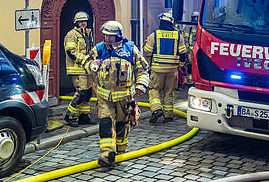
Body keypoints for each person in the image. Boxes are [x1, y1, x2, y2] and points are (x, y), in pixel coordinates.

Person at [85, 20, 149, 167]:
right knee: (105, 123)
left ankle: (120, 149)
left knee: (122, 124)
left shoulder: (130, 49)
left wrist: (141, 85)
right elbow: (86, 64)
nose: (107, 38)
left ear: (118, 35)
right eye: (105, 35)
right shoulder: (98, 49)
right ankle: (107, 154)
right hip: (104, 97)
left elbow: (142, 69)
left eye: (111, 36)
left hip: (125, 97)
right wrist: (92, 65)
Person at [142, 11, 188, 123]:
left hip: (157, 69)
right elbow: (183, 54)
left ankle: (156, 109)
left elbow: (147, 51)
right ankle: (168, 115)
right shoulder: (178, 36)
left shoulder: (154, 35)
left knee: (154, 89)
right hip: (172, 70)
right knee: (169, 92)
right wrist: (179, 66)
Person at [63, 11, 95, 127]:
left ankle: (84, 116)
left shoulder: (88, 33)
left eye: (85, 21)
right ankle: (70, 116)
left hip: (87, 69)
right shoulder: (72, 35)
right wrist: (85, 59)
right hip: (77, 69)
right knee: (81, 93)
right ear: (76, 22)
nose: (83, 23)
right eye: (80, 21)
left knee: (88, 93)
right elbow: (70, 51)